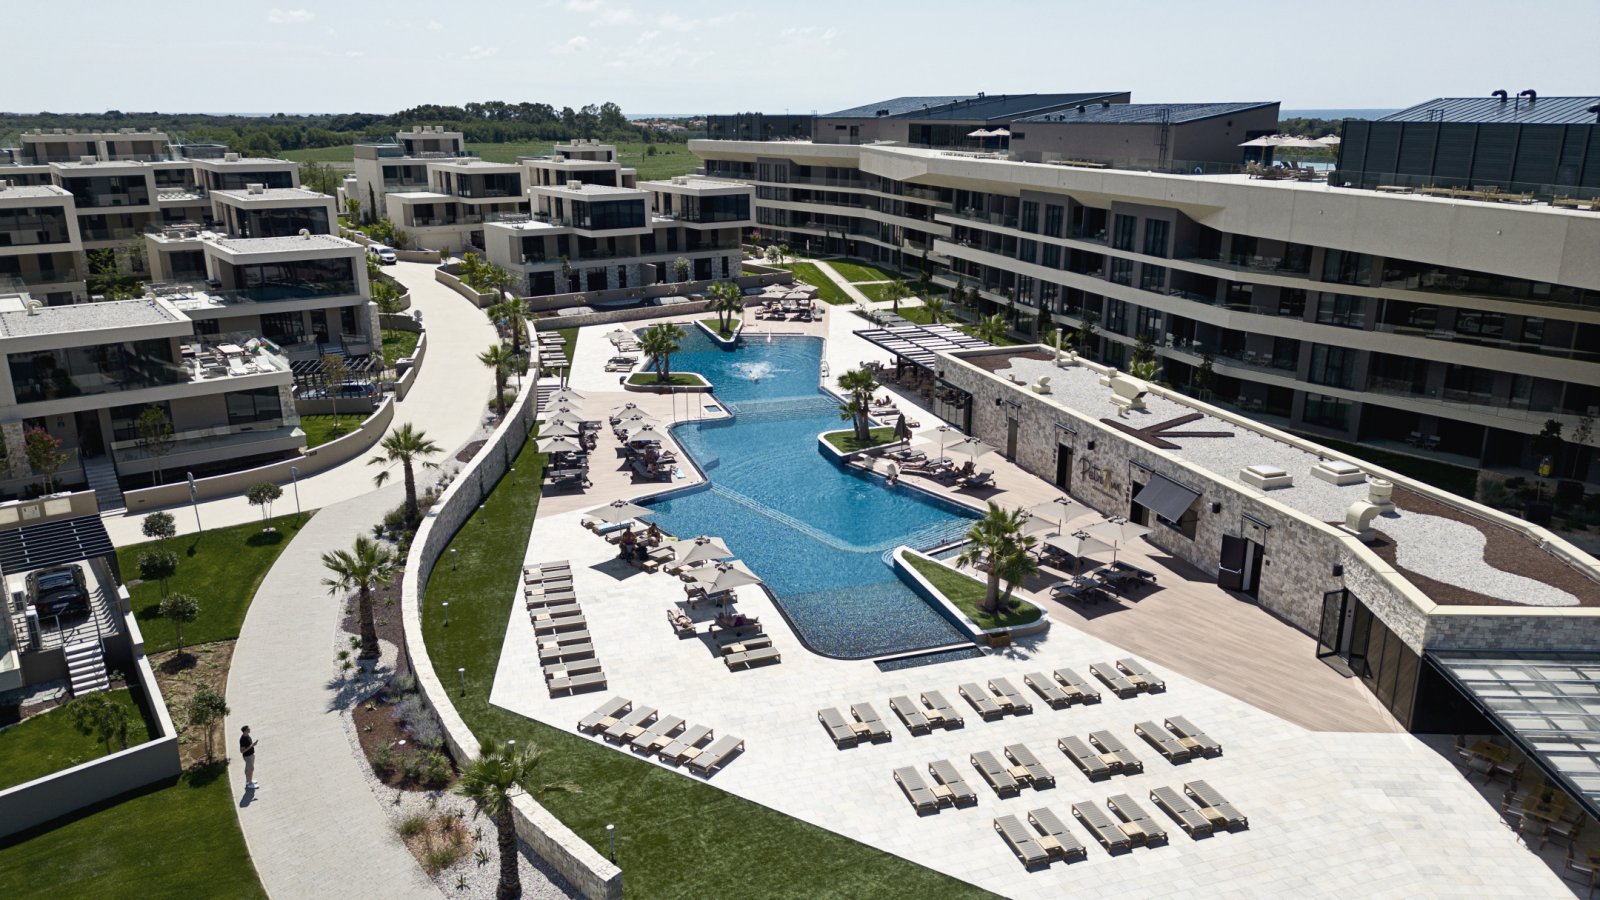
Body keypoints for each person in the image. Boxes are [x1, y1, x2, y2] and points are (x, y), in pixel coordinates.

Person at [240, 725, 259, 789]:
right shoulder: (242, 739)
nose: (249, 729)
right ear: (245, 731)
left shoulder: (247, 736)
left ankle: (248, 781)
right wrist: (251, 746)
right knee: (251, 769)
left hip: (251, 755)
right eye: (248, 729)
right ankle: (249, 783)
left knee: (248, 769)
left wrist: (253, 745)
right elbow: (242, 751)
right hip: (247, 756)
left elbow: (249, 745)